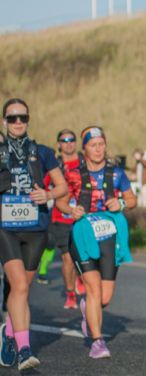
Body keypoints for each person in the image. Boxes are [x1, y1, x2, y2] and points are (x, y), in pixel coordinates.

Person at [57, 126, 136, 360]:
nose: (98, 149)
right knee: (92, 289)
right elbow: (61, 202)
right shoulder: (73, 174)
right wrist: (71, 209)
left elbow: (132, 199)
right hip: (83, 236)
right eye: (93, 145)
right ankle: (97, 341)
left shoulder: (116, 174)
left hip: (110, 237)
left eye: (101, 144)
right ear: (85, 149)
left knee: (104, 297)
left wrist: (120, 204)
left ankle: (87, 310)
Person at [0, 98, 68, 371]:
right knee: (18, 286)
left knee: (23, 289)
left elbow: (62, 186)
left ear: (28, 120)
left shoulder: (43, 152)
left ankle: (8, 332)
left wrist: (49, 194)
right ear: (4, 121)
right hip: (6, 228)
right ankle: (24, 349)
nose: (18, 122)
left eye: (22, 118)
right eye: (12, 118)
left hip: (37, 228)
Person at [35, 130, 83, 308]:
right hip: (61, 218)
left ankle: (81, 279)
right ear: (58, 144)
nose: (69, 143)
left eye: (72, 140)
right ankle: (70, 294)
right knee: (68, 258)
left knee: (84, 256)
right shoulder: (55, 166)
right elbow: (43, 185)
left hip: (83, 216)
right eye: (65, 140)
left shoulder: (84, 163)